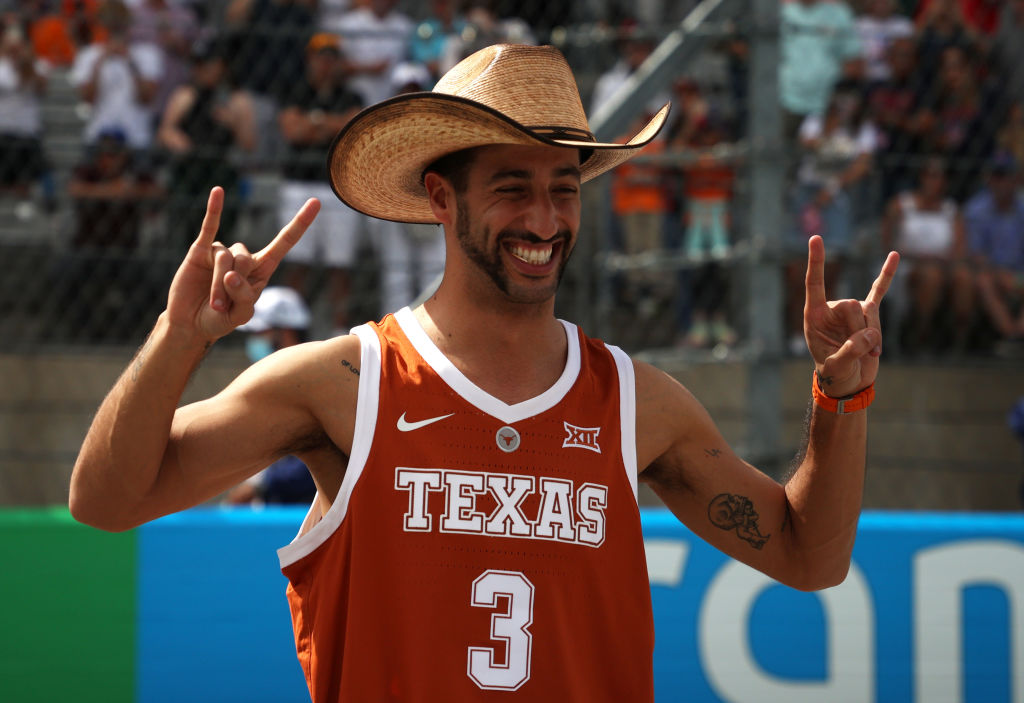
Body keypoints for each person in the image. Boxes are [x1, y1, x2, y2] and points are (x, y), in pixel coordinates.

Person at [69, 44, 900, 701]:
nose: (544, 220)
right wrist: (179, 336)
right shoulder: (343, 381)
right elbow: (105, 501)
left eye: (563, 189)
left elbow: (806, 557)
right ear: (440, 197)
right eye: (512, 188)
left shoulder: (637, 402)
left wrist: (842, 395)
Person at [276, 31, 364, 334]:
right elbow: (292, 131)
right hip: (298, 184)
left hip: (337, 186)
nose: (326, 64)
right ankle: (289, 330)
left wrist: (313, 122)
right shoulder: (293, 91)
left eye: (331, 57)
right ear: (309, 60)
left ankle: (339, 331)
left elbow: (352, 129)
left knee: (340, 266)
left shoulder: (352, 95)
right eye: (320, 57)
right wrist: (331, 124)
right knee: (296, 262)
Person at [157, 34, 256, 250]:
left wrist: (232, 122)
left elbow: (249, 143)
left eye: (208, 64)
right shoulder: (186, 95)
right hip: (189, 170)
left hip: (220, 171)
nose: (202, 70)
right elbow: (165, 130)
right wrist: (175, 138)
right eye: (198, 65)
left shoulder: (236, 99)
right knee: (185, 235)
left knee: (221, 238)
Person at [224, 286, 318, 506]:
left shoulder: (316, 382)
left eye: (260, 333)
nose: (254, 342)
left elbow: (317, 458)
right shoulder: (273, 383)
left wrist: (260, 485)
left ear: (286, 334)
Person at [881, 157, 974, 354]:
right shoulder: (901, 204)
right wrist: (915, 256)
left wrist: (945, 260)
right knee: (931, 277)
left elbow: (960, 248)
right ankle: (922, 334)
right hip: (907, 263)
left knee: (964, 278)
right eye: (929, 175)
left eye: (939, 177)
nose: (933, 181)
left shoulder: (951, 210)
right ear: (921, 177)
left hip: (943, 264)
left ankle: (960, 342)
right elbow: (887, 242)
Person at [964, 153, 1024, 352]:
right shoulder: (977, 209)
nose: (1001, 182)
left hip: (1019, 273)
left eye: (1006, 176)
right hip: (992, 272)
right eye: (997, 176)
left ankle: (1018, 335)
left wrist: (1015, 278)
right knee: (984, 282)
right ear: (989, 179)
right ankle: (1012, 335)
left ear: (1016, 179)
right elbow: (975, 254)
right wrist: (1000, 275)